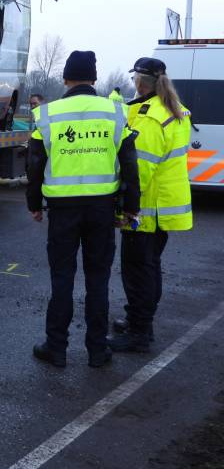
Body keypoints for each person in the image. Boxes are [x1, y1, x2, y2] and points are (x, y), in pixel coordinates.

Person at [26, 50, 140, 368]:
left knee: (62, 278)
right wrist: (131, 206)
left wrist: (34, 204)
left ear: (65, 79)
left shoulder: (46, 114)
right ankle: (97, 351)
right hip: (102, 209)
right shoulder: (115, 112)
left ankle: (56, 348)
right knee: (98, 279)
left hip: (62, 210)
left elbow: (35, 164)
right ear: (93, 79)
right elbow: (129, 165)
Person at [108, 57, 193, 353]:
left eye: (134, 81)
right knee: (149, 267)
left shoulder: (151, 117)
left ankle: (139, 333)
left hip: (145, 208)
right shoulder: (172, 111)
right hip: (161, 208)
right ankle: (139, 322)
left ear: (141, 83)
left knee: (138, 271)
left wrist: (125, 209)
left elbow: (139, 170)